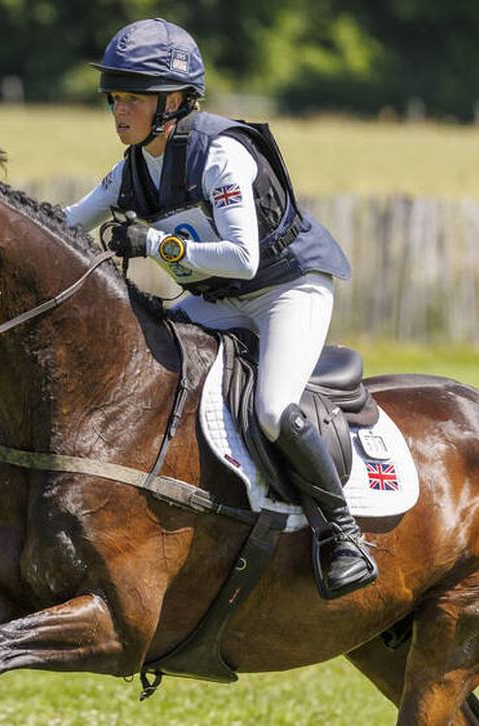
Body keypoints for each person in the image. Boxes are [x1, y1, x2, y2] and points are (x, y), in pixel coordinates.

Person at [63, 18, 376, 599]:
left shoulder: (221, 153)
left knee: (275, 409)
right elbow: (62, 225)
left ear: (175, 100)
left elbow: (241, 256)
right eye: (115, 95)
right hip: (217, 301)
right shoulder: (135, 165)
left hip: (288, 290)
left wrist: (153, 244)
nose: (119, 108)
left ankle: (343, 535)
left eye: (133, 96)